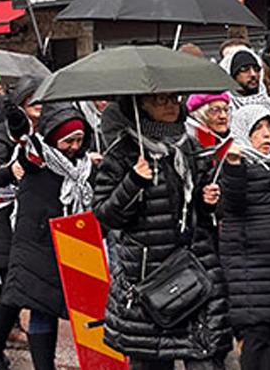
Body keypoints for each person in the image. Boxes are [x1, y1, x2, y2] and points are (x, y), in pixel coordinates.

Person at [93, 95, 230, 369]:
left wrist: (209, 200)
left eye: (173, 100)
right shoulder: (123, 152)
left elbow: (207, 211)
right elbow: (106, 214)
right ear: (141, 106)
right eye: (159, 101)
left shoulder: (191, 145)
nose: (170, 106)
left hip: (196, 269)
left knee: (204, 358)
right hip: (149, 276)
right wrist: (133, 181)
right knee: (150, 359)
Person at [0, 104, 99, 370]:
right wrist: (17, 122)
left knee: (64, 307)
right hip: (35, 241)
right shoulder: (38, 158)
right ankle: (6, 356)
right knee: (39, 306)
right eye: (68, 141)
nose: (73, 146)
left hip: (73, 241)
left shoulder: (84, 166)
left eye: (79, 140)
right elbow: (27, 146)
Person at [217, 104, 270, 370]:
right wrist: (233, 166)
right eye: (258, 129)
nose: (267, 135)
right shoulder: (232, 167)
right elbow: (231, 204)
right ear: (243, 132)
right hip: (250, 279)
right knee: (258, 347)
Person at [0, 78, 43, 362]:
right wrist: (12, 168)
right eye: (33, 101)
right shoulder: (1, 133)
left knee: (32, 293)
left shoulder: (49, 131)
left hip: (43, 220)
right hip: (10, 223)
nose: (40, 106)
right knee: (10, 292)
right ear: (21, 104)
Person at [221, 44, 270, 146]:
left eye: (256, 69)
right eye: (244, 69)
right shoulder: (224, 109)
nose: (253, 74)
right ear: (232, 74)